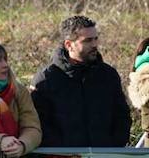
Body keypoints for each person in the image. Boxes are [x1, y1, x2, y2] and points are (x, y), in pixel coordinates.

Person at [30, 15, 132, 148]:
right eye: (88, 40)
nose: (95, 44)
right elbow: (38, 124)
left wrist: (112, 146)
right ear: (69, 45)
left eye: (96, 39)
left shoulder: (108, 75)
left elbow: (122, 117)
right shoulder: (47, 79)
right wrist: (64, 152)